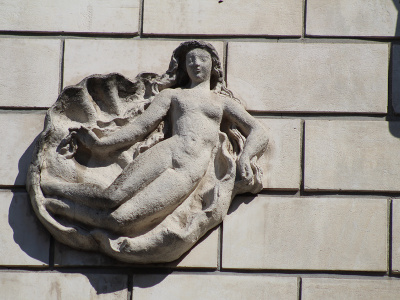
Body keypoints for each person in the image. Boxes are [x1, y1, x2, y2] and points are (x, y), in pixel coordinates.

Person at [42, 41, 268, 235]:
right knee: (112, 196)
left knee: (120, 221)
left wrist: (245, 157)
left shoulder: (222, 102)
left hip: (189, 169)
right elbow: (141, 126)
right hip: (169, 150)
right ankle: (55, 188)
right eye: (190, 60)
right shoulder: (172, 95)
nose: (196, 64)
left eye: (202, 59)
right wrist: (101, 144)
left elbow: (258, 131)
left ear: (214, 65)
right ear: (183, 66)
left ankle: (62, 208)